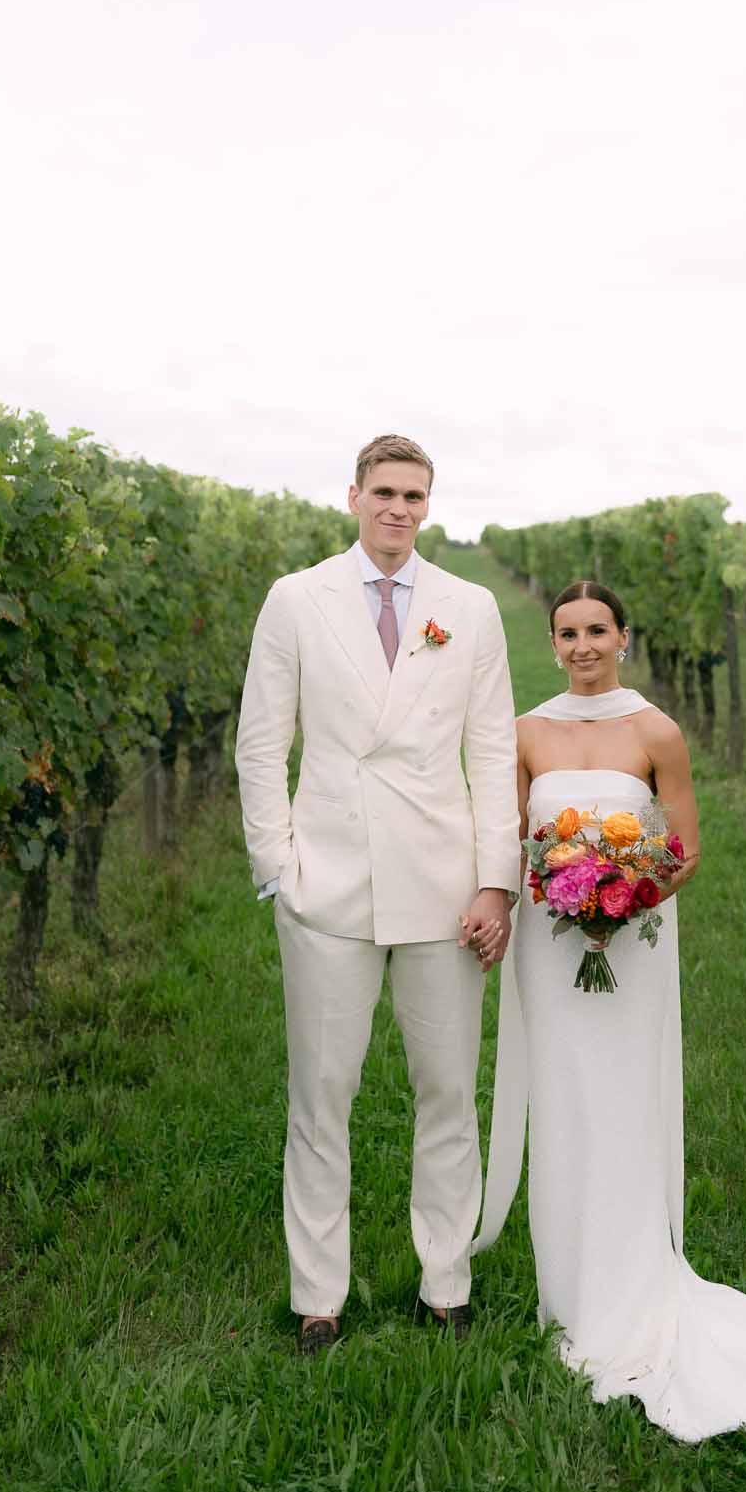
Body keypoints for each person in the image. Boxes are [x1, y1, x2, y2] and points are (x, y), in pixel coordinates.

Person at [473, 580, 746, 1441]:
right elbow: (504, 836)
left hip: (631, 942)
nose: (580, 647)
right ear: (554, 640)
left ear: (623, 637)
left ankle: (636, 1280)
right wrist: (557, 897)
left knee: (623, 1101)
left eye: (596, 630)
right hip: (549, 942)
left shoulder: (655, 730)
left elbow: (684, 846)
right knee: (564, 1099)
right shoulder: (525, 732)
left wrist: (623, 893)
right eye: (566, 633)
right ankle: (567, 1288)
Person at [235, 435, 517, 1355]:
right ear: (353, 496)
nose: (398, 509)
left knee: (445, 1090)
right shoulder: (296, 598)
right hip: (329, 883)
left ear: (428, 506)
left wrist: (495, 882)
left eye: (415, 495)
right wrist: (279, 868)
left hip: (442, 886)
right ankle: (318, 1293)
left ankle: (446, 1279)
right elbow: (260, 743)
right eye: (384, 492)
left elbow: (489, 753)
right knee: (322, 1094)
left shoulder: (467, 608)